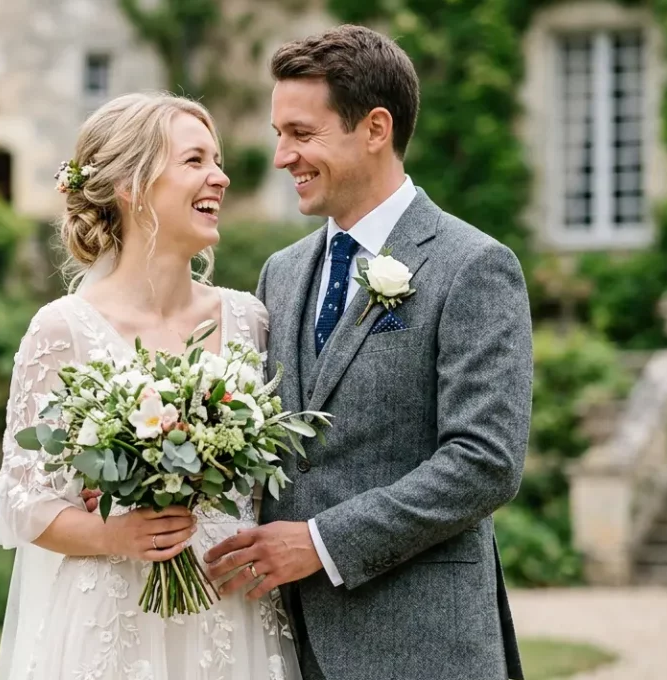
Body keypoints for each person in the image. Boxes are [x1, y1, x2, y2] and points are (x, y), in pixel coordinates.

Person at [203, 24, 533, 680]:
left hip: (423, 646)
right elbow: (259, 443)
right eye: (278, 134)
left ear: (376, 128)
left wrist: (322, 543)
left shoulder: (474, 266)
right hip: (288, 641)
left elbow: (485, 461)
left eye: (301, 133)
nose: (281, 157)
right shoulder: (280, 273)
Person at [0, 91, 301, 680]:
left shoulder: (250, 320)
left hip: (230, 612)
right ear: (130, 186)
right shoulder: (62, 330)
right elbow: (23, 501)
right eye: (195, 160)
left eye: (218, 160)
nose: (220, 177)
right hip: (111, 620)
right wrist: (116, 534)